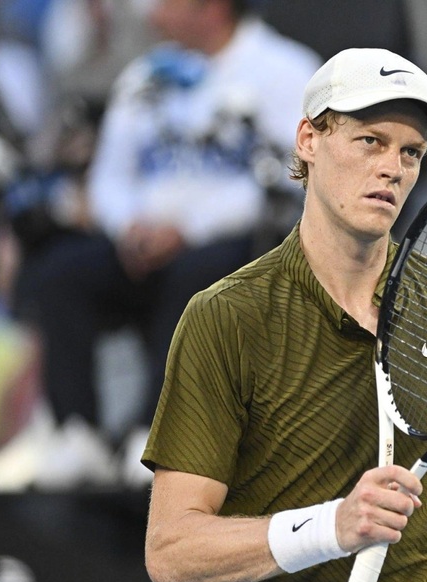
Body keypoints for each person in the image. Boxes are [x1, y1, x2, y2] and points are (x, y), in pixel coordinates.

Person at [141, 48, 427, 582]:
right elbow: (172, 553)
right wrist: (332, 526)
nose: (392, 168)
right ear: (309, 140)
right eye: (370, 141)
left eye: (411, 152)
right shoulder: (226, 317)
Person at [19, 0, 321, 486]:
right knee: (61, 272)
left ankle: (157, 434)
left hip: (237, 243)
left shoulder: (287, 70)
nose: (154, 10)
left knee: (196, 275)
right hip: (143, 240)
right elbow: (109, 176)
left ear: (212, 8)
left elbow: (294, 178)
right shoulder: (147, 74)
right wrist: (128, 227)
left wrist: (190, 228)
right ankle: (77, 431)